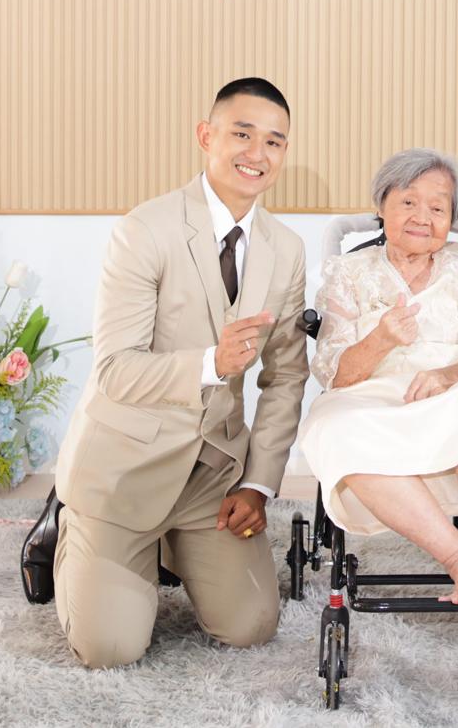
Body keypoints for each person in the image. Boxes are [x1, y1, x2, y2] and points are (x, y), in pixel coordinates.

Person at [49, 78, 309, 669]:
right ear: (206, 136)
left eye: (274, 142)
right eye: (242, 134)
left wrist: (259, 485)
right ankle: (75, 524)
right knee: (110, 649)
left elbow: (286, 377)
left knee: (251, 627)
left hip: (210, 477)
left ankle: (178, 545)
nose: (258, 153)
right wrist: (210, 364)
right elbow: (114, 370)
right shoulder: (145, 229)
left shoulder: (287, 249)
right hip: (124, 470)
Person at [295, 149, 458, 609]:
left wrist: (452, 373)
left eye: (438, 207)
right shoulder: (348, 272)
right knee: (330, 425)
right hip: (368, 399)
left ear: (452, 218)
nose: (423, 217)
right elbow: (332, 372)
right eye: (408, 202)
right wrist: (380, 340)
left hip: (455, 393)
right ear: (381, 206)